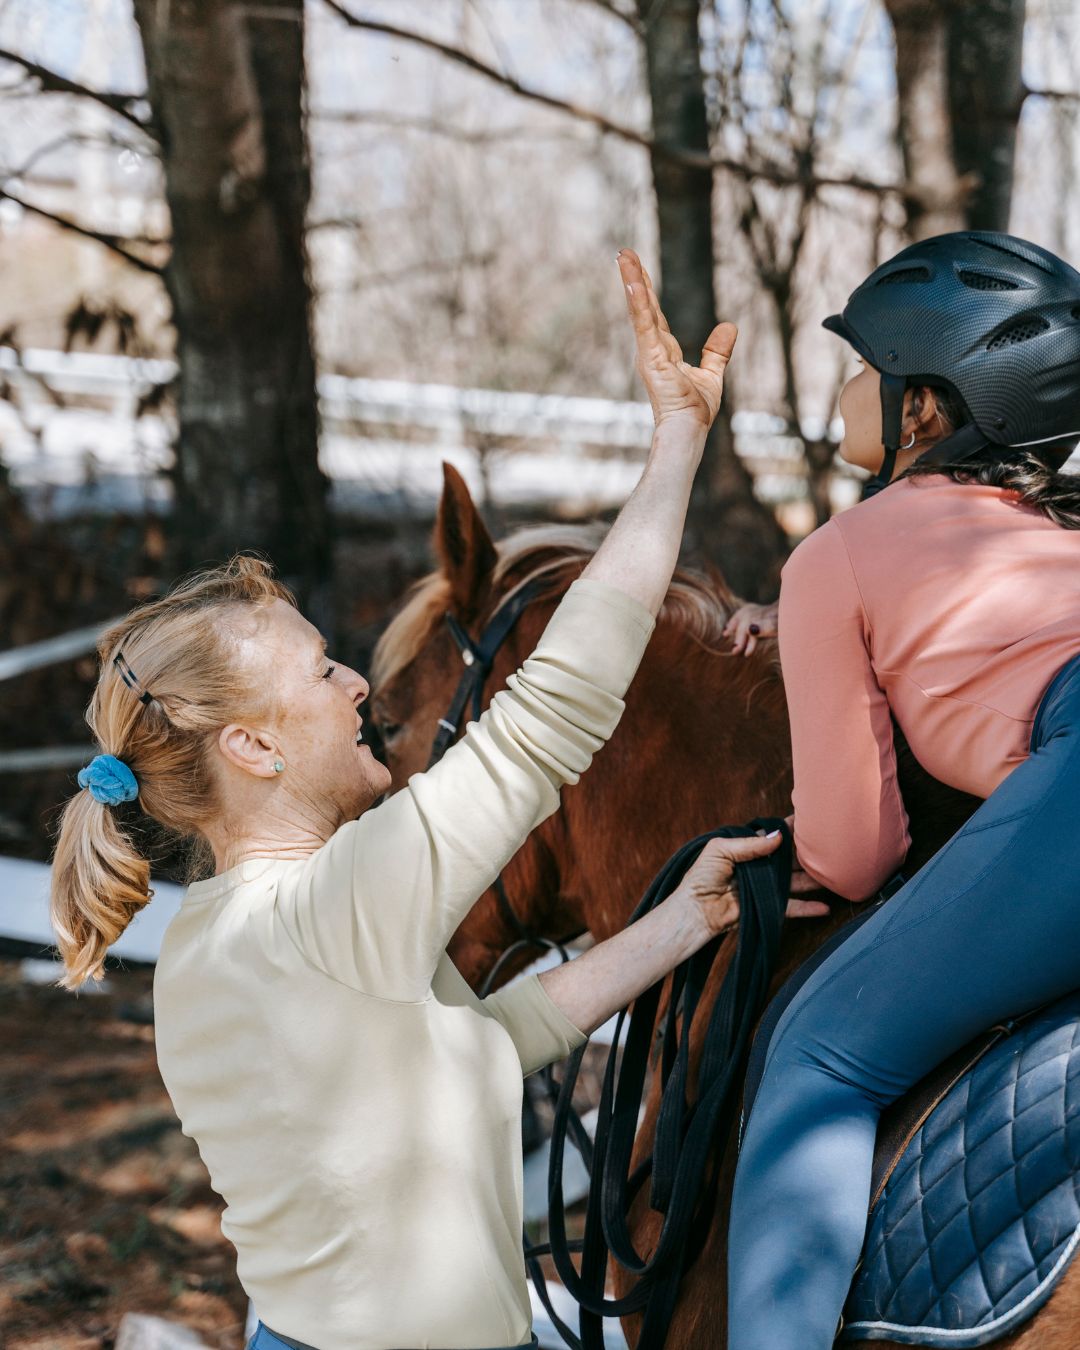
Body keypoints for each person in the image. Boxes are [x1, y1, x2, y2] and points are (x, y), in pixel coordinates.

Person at [48, 248, 825, 1350]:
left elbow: (477, 1049)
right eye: (324, 673)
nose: (359, 682)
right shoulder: (341, 906)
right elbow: (552, 712)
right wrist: (676, 445)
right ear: (253, 748)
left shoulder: (211, 944)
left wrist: (679, 922)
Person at [724, 230, 1080, 1349]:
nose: (840, 387)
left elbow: (856, 851)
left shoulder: (840, 550)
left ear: (922, 410)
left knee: (822, 1057)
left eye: (859, 363)